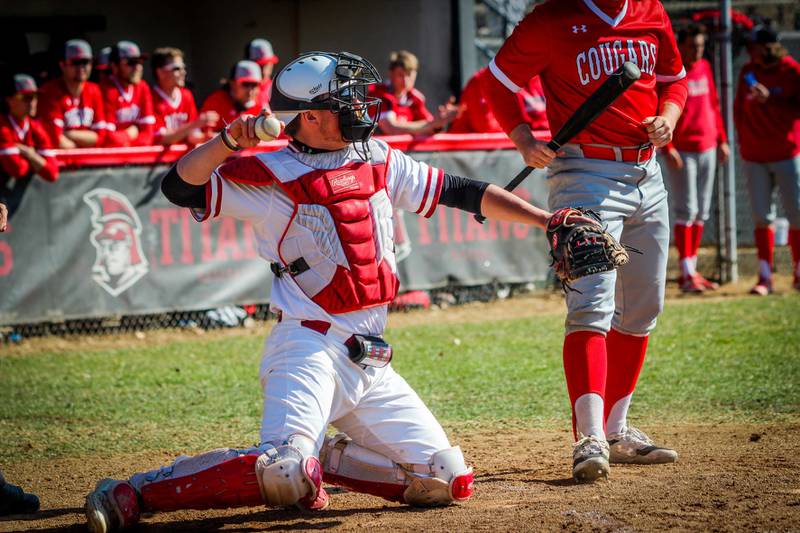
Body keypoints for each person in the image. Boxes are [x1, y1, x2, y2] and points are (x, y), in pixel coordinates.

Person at [84, 50, 558, 533]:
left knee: (445, 479)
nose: (359, 106)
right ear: (309, 116)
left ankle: (323, 458)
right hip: (306, 348)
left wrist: (546, 221)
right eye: (344, 100)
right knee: (284, 470)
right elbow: (180, 188)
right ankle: (135, 491)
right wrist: (228, 141)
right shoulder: (273, 174)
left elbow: (461, 190)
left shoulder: (377, 157)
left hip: (369, 360)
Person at [483, 0, 687, 482]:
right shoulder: (552, 18)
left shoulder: (650, 10)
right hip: (584, 173)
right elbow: (496, 82)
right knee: (591, 304)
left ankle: (616, 431)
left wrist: (669, 116)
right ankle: (589, 437)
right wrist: (523, 139)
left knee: (643, 307)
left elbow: (673, 80)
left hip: (647, 172)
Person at [663, 24, 729, 293]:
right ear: (682, 45)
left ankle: (692, 269)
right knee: (686, 209)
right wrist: (668, 147)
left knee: (701, 211)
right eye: (692, 46)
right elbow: (661, 109)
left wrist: (722, 140)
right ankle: (686, 271)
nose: (697, 51)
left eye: (700, 45)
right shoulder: (674, 71)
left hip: (708, 146)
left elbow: (713, 104)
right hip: (683, 149)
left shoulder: (704, 67)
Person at [734, 26, 800, 295]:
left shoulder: (791, 70)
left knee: (797, 214)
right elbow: (738, 109)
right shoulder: (748, 71)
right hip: (755, 154)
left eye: (756, 47)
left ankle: (798, 272)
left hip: (786, 152)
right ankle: (765, 276)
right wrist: (743, 140)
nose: (751, 52)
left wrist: (772, 98)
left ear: (769, 47)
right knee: (762, 217)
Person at [369, 50, 458, 135]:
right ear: (391, 74)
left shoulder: (415, 98)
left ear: (415, 75)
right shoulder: (377, 96)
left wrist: (440, 121)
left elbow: (430, 127)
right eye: (400, 75)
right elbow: (391, 128)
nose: (405, 80)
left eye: (409, 75)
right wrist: (432, 124)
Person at [38, 39, 107, 148]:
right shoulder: (50, 91)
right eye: (76, 62)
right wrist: (84, 143)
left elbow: (101, 137)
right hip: (59, 157)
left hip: (85, 156)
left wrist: (67, 134)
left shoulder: (94, 90)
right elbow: (56, 139)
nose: (81, 67)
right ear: (62, 65)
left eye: (86, 62)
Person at [450, 67, 549, 134]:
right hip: (470, 154)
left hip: (521, 151)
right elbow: (488, 129)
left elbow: (546, 125)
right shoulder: (484, 79)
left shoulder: (539, 79)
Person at [150, 47, 217, 145]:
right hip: (160, 155)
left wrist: (206, 138)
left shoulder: (186, 95)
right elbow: (161, 139)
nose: (183, 72)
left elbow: (192, 136)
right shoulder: (150, 98)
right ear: (160, 73)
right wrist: (196, 123)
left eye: (183, 68)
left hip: (183, 155)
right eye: (177, 68)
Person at [0, 74, 59, 183]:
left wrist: (29, 154)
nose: (32, 102)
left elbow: (52, 173)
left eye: (35, 97)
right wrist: (37, 161)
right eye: (26, 97)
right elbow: (17, 169)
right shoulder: (3, 126)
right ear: (9, 100)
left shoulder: (36, 127)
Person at [100, 41, 156, 147]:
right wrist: (133, 131)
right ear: (114, 66)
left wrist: (126, 141)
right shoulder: (106, 90)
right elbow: (108, 139)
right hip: (111, 156)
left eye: (140, 62)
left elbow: (148, 135)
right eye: (131, 63)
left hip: (134, 153)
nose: (138, 67)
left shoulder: (143, 87)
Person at [198, 60, 263, 134]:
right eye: (246, 84)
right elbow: (199, 134)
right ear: (232, 83)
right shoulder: (216, 101)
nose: (250, 90)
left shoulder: (261, 105)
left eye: (254, 85)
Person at [245, 38, 279, 111]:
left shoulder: (278, 90)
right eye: (259, 66)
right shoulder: (237, 91)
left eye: (267, 65)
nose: (264, 72)